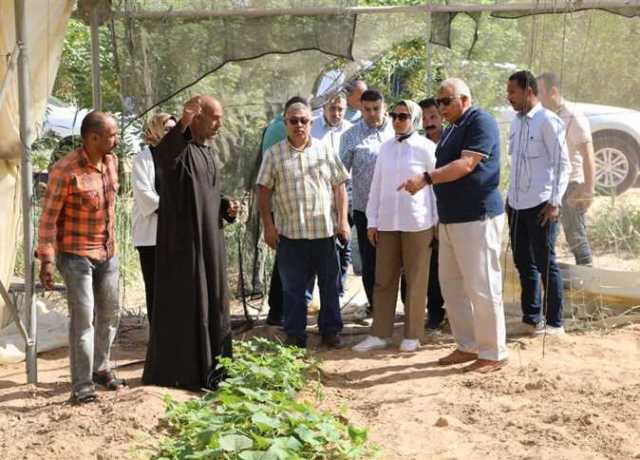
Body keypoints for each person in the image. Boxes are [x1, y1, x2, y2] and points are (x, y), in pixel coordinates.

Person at [399, 78, 508, 373]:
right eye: (439, 102)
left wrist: (426, 178)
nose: (441, 107)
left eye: (446, 101)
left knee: (482, 286)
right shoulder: (453, 129)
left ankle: (493, 351)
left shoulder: (479, 121)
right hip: (450, 218)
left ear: (465, 99)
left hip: (476, 217)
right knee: (452, 286)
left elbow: (466, 165)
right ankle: (468, 345)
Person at [143, 96, 239, 390]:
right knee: (189, 305)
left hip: (210, 242)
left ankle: (215, 370)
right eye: (214, 117)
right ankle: (182, 374)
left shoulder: (207, 153)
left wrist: (226, 207)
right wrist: (182, 122)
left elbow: (206, 195)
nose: (219, 124)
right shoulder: (176, 152)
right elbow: (165, 156)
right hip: (185, 246)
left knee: (215, 303)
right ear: (197, 118)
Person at [38, 111, 125, 404]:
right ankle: (82, 385)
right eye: (112, 135)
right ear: (93, 138)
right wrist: (47, 260)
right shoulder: (65, 170)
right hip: (76, 256)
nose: (117, 139)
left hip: (107, 252)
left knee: (110, 314)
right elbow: (48, 219)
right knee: (83, 320)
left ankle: (102, 367)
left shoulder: (112, 163)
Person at [257, 97, 350, 348]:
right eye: (294, 121)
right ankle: (296, 335)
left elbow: (339, 186)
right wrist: (268, 226)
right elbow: (263, 191)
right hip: (290, 236)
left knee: (330, 286)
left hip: (324, 233)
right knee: (293, 290)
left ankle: (330, 331)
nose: (299, 125)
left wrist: (343, 221)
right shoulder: (273, 155)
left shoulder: (325, 150)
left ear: (311, 122)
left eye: (304, 121)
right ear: (285, 123)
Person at [353, 100, 438, 353]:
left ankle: (412, 334)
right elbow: (376, 187)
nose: (397, 120)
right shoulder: (386, 148)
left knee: (416, 280)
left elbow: (436, 188)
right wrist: (372, 221)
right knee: (383, 279)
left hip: (418, 223)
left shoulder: (426, 148)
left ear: (414, 119)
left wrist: (436, 222)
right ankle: (380, 333)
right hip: (388, 222)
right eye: (394, 115)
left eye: (403, 116)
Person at [506, 70, 571, 336]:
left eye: (513, 92)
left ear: (529, 91)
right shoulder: (516, 122)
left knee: (546, 263)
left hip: (541, 204)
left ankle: (555, 323)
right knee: (523, 262)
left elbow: (562, 164)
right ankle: (531, 317)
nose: (509, 97)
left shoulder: (548, 121)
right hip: (516, 204)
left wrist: (555, 201)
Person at [340, 89, 395, 313]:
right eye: (367, 109)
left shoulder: (397, 128)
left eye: (376, 109)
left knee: (395, 259)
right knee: (370, 259)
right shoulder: (350, 136)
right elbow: (340, 175)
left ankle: (396, 305)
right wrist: (342, 209)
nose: (372, 114)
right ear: (360, 109)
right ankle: (376, 305)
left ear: (385, 107)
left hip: (396, 208)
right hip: (365, 209)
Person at [537, 72, 595, 266]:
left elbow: (588, 154)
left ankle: (588, 282)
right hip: (549, 185)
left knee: (576, 237)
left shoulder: (573, 116)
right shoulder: (543, 115)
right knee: (546, 238)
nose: (537, 97)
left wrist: (588, 188)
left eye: (540, 92)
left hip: (571, 185)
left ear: (553, 91)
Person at [132, 113, 176, 323]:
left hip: (176, 235)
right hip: (151, 237)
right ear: (155, 131)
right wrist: (177, 209)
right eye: (167, 129)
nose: (171, 134)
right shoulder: (143, 158)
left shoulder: (180, 156)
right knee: (155, 290)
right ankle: (157, 342)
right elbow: (145, 197)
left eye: (174, 129)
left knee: (174, 290)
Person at [311, 93, 353, 299]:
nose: (336, 113)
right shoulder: (312, 127)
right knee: (327, 243)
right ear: (324, 108)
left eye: (340, 109)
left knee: (344, 241)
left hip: (346, 192)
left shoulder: (350, 129)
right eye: (332, 108)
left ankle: (339, 289)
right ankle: (326, 289)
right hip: (320, 194)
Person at [417, 97, 446, 331]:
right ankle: (434, 313)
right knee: (431, 267)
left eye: (433, 117)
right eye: (424, 118)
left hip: (452, 211)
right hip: (426, 215)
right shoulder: (415, 145)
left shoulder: (452, 142)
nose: (429, 122)